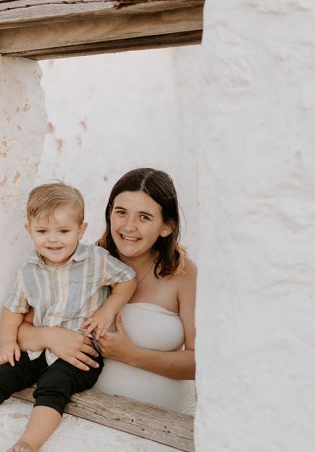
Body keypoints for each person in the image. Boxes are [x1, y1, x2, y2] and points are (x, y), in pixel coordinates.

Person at [0, 182, 137, 452]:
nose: (53, 240)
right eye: (42, 231)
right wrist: (8, 343)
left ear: (81, 230)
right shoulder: (28, 271)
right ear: (29, 231)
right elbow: (13, 310)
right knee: (0, 374)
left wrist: (107, 311)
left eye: (64, 231)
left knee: (55, 384)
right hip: (38, 349)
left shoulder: (96, 261)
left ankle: (30, 442)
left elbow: (127, 279)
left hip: (81, 352)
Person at [17, 168, 196, 415]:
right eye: (121, 212)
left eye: (144, 217)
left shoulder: (183, 274)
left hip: (164, 430)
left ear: (166, 226)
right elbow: (21, 331)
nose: (129, 226)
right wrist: (49, 337)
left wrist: (131, 355)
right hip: (91, 419)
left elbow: (201, 364)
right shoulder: (81, 263)